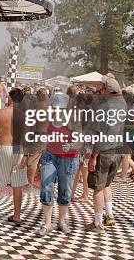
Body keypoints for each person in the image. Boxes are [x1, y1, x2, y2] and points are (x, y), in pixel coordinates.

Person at [37, 86, 83, 236]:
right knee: (46, 186)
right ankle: (47, 223)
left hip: (69, 159)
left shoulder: (73, 119)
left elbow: (80, 142)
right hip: (50, 155)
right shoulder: (49, 118)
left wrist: (70, 145)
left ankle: (62, 221)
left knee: (65, 190)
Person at [85, 75, 126, 233]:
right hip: (118, 150)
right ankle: (110, 216)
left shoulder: (103, 109)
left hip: (104, 151)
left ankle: (98, 223)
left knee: (98, 188)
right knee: (107, 185)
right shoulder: (122, 104)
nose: (99, 91)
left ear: (107, 90)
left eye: (101, 88)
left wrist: (93, 157)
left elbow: (99, 136)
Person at [0, 88, 27, 223]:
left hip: (4, 148)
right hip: (19, 150)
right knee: (17, 184)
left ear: (10, 98)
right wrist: (26, 155)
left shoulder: (0, 113)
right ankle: (17, 216)